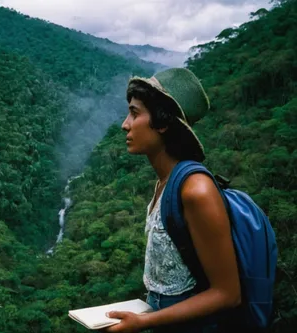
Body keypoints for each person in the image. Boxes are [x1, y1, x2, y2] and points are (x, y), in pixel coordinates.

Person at [103, 68, 241, 333]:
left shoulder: (196, 191)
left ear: (163, 122)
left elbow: (228, 293)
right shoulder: (164, 183)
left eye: (135, 113)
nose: (125, 124)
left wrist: (144, 322)